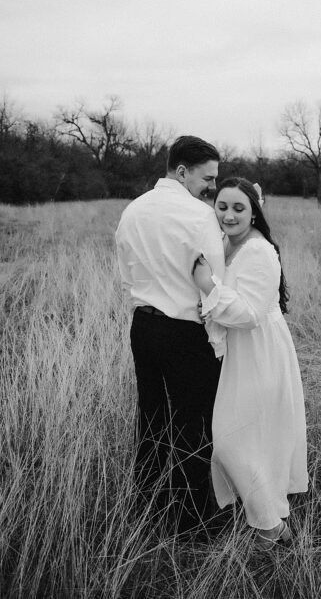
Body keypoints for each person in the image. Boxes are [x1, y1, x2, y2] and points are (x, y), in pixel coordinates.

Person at [115, 135, 225, 532]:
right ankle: (192, 523)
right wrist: (218, 342)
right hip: (186, 333)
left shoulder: (133, 210)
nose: (211, 186)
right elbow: (215, 280)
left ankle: (149, 510)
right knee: (194, 425)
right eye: (206, 178)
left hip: (142, 327)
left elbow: (126, 271)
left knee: (152, 417)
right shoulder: (200, 217)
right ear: (181, 171)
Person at [191, 177, 308, 548]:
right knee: (248, 439)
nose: (228, 214)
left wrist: (208, 286)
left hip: (261, 352)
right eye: (222, 206)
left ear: (254, 211)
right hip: (242, 353)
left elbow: (249, 313)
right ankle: (267, 522)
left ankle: (271, 526)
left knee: (232, 441)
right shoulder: (228, 243)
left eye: (238, 208)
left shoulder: (258, 251)